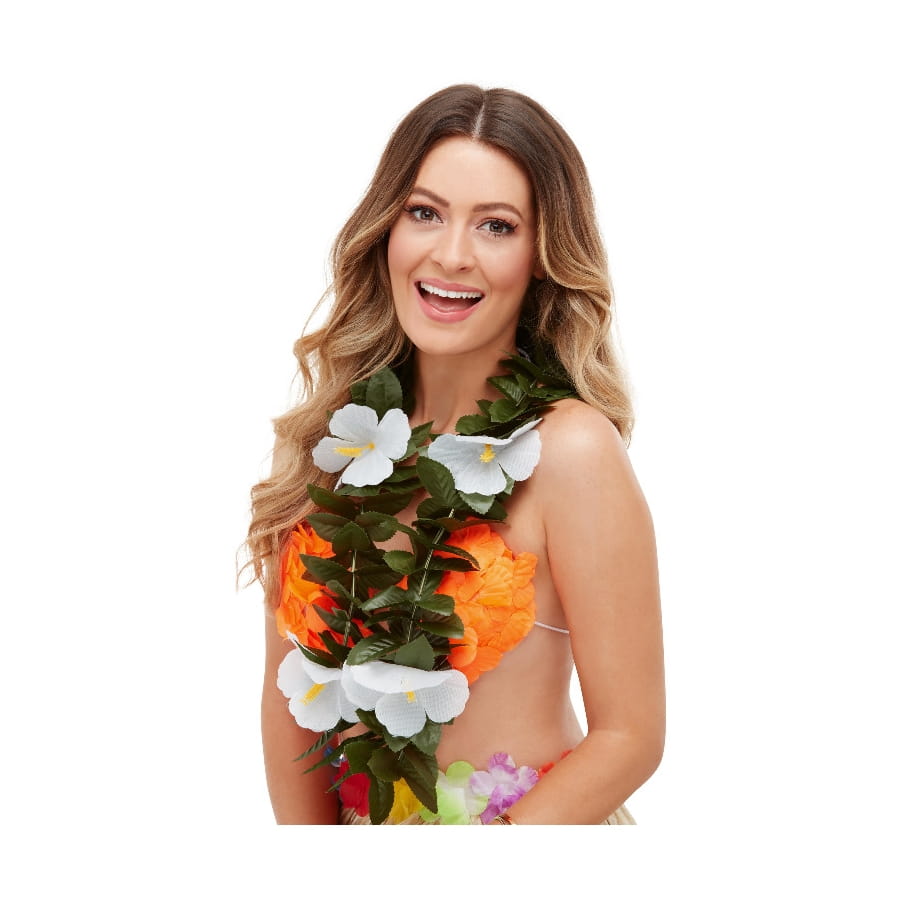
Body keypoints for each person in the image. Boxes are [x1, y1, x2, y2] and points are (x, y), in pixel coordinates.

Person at [247, 84, 664, 825]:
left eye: (496, 226)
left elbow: (629, 737)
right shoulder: (327, 444)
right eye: (425, 213)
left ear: (542, 256)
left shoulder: (570, 450)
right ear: (386, 227)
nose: (451, 254)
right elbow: (289, 706)